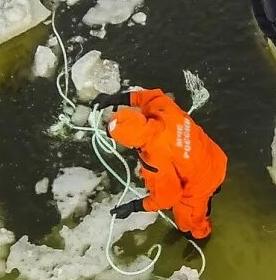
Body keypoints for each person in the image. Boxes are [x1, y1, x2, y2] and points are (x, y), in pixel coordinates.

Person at [93, 88, 227, 240]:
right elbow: (150, 97)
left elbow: (168, 197)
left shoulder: (155, 159)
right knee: (205, 192)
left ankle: (200, 237)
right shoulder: (161, 110)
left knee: (189, 224)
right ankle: (208, 200)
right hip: (215, 157)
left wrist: (134, 207)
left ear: (130, 144)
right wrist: (116, 99)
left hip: (201, 182)